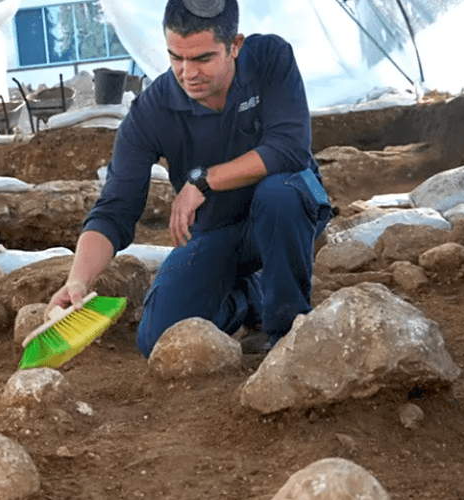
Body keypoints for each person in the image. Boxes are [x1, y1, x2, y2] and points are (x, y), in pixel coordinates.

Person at [46, 0, 333, 357]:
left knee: (280, 194)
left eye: (202, 59)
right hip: (219, 229)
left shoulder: (269, 57)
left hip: (286, 213)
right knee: (158, 337)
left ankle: (287, 332)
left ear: (235, 46)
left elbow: (289, 149)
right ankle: (246, 297)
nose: (187, 73)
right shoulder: (151, 112)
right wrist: (78, 279)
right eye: (175, 58)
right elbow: (115, 209)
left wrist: (202, 181)